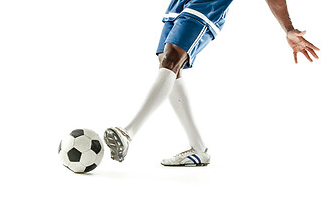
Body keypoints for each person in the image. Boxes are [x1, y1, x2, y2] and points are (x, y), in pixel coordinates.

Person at [103, 0, 320, 166]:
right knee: (166, 63)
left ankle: (127, 133)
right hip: (179, 3)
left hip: (208, 4)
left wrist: (288, 29)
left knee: (171, 58)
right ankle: (198, 148)